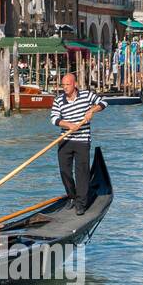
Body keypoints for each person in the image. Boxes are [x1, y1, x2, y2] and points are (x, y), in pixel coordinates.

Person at [49, 72, 106, 215]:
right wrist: (68, 125)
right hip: (65, 140)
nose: (65, 88)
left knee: (82, 173)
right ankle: (72, 197)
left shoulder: (86, 95)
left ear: (74, 84)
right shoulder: (59, 100)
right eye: (63, 85)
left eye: (67, 84)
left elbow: (104, 102)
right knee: (64, 171)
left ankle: (81, 203)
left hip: (82, 140)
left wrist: (92, 110)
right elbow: (54, 119)